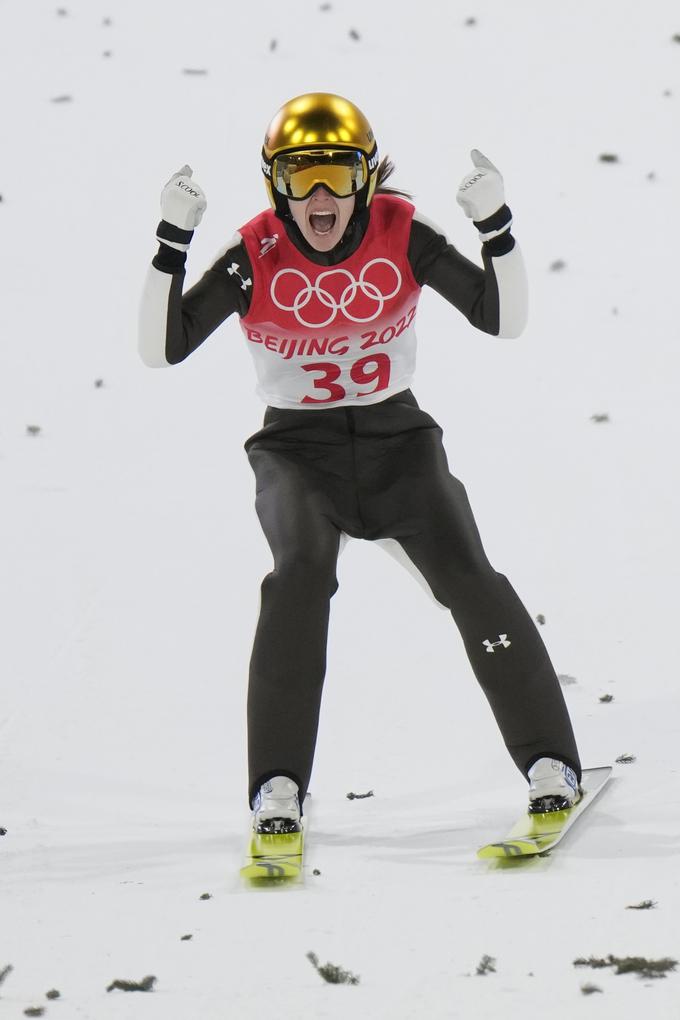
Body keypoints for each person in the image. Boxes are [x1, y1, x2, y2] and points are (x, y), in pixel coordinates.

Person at [138, 92, 581, 835]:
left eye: (339, 176)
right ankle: (277, 785)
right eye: (300, 177)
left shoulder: (399, 232)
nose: (321, 197)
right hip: (296, 455)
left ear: (368, 179)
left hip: (398, 445)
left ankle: (550, 761)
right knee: (299, 578)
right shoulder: (257, 251)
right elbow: (164, 347)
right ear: (274, 184)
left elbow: (501, 319)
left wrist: (495, 227)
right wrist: (170, 241)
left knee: (470, 578)